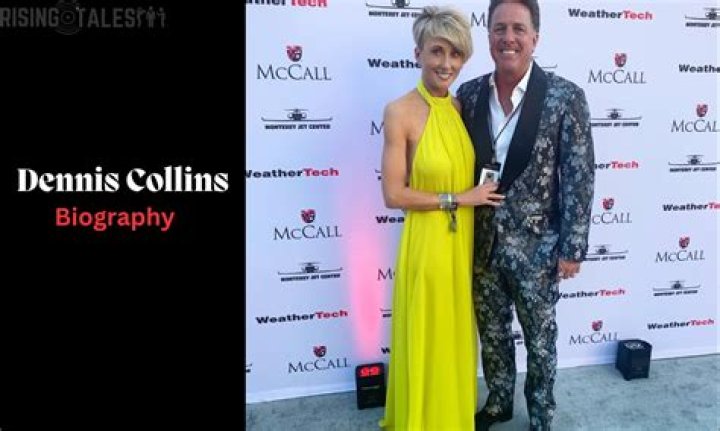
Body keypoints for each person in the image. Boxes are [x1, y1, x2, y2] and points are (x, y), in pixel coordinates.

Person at [456, 1, 595, 430]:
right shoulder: (469, 94)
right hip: (482, 245)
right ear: (488, 36)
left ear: (535, 37)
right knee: (493, 334)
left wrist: (572, 248)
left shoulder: (564, 96)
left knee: (541, 340)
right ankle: (499, 402)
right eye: (499, 28)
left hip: (539, 248)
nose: (508, 38)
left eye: (518, 28)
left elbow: (579, 174)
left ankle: (540, 414)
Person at [379, 6, 505, 430]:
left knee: (453, 337)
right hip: (429, 247)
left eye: (456, 54)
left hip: (461, 247)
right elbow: (393, 194)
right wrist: (460, 198)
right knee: (429, 334)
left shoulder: (459, 106)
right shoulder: (399, 111)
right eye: (437, 51)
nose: (446, 63)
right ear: (418, 53)